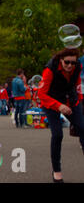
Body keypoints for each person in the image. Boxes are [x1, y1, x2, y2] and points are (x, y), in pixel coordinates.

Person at [38, 48, 84, 183]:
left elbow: (77, 84)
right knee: (58, 134)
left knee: (82, 128)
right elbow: (41, 94)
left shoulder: (78, 67)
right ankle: (57, 171)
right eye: (67, 62)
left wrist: (79, 100)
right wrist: (59, 106)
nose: (70, 65)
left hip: (71, 100)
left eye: (73, 63)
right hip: (51, 102)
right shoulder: (50, 69)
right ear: (61, 60)